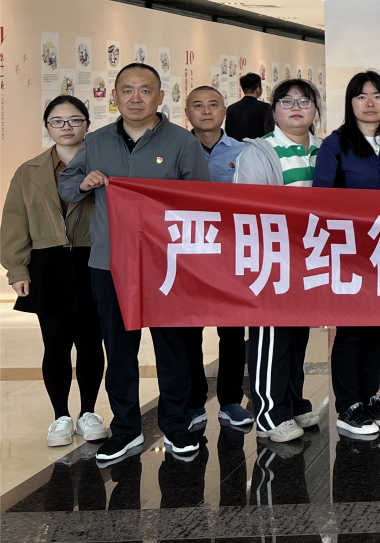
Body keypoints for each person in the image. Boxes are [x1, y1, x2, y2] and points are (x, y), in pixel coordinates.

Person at [59, 63, 211, 464]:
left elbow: (201, 201)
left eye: (145, 90)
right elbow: (67, 185)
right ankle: (126, 429)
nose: (136, 98)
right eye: (127, 90)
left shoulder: (182, 142)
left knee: (172, 347)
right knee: (119, 349)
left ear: (160, 97)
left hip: (166, 264)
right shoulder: (96, 141)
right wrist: (84, 183)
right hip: (109, 262)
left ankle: (176, 425)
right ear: (115, 97)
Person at [1, 96, 107, 447]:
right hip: (48, 265)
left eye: (75, 120)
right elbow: (14, 221)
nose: (66, 127)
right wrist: (17, 268)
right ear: (47, 127)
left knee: (91, 343)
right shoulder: (28, 171)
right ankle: (60, 416)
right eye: (57, 121)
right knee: (56, 344)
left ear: (87, 125)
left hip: (93, 260)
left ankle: (88, 412)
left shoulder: (103, 167)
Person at [233, 78, 327, 442]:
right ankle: (270, 413)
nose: (296, 108)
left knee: (297, 334)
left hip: (310, 257)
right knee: (271, 334)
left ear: (315, 109)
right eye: (287, 102)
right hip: (273, 257)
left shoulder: (323, 150)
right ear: (274, 110)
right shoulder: (259, 152)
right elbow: (251, 209)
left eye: (305, 101)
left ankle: (293, 401)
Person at [314, 71, 380, 437]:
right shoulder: (335, 145)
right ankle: (348, 404)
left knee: (376, 327)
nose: (370, 103)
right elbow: (322, 199)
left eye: (377, 96)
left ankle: (369, 396)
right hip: (349, 250)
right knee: (351, 329)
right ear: (350, 103)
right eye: (361, 96)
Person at [185, 85, 252, 430]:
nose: (206, 111)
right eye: (198, 105)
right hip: (189, 254)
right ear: (187, 113)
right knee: (189, 331)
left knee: (232, 331)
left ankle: (230, 401)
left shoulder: (244, 152)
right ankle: (194, 401)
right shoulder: (176, 150)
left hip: (230, 253)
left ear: (225, 111)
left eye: (213, 105)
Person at [225, 72, 270, 141]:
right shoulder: (266, 107)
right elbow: (269, 131)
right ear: (258, 89)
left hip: (237, 146)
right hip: (259, 146)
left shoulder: (231, 108)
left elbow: (228, 133)